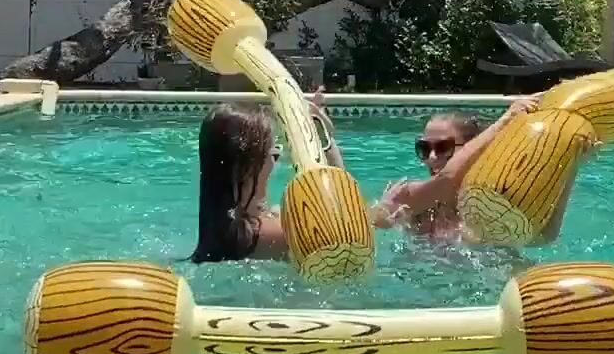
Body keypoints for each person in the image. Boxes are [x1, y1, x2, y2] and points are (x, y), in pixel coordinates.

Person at [188, 96, 345, 264]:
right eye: (274, 154)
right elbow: (339, 227)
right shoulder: (265, 235)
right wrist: (323, 139)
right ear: (246, 167)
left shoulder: (223, 227)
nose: (276, 163)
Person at [369, 97, 541, 242]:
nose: (432, 157)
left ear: (474, 148)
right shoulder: (412, 197)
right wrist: (382, 214)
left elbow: (541, 238)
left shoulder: (493, 203)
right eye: (424, 148)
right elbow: (369, 222)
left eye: (443, 147)